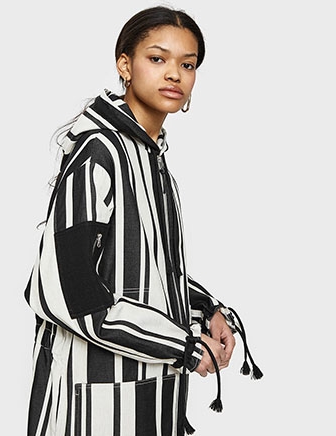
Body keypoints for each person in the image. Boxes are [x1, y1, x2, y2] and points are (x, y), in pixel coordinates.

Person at [24, 6, 261, 436]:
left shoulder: (151, 160)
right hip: (91, 405)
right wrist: (185, 346)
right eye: (157, 58)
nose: (174, 74)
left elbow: (144, 271)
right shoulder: (99, 155)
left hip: (151, 400)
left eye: (187, 64)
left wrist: (207, 309)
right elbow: (70, 292)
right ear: (125, 65)